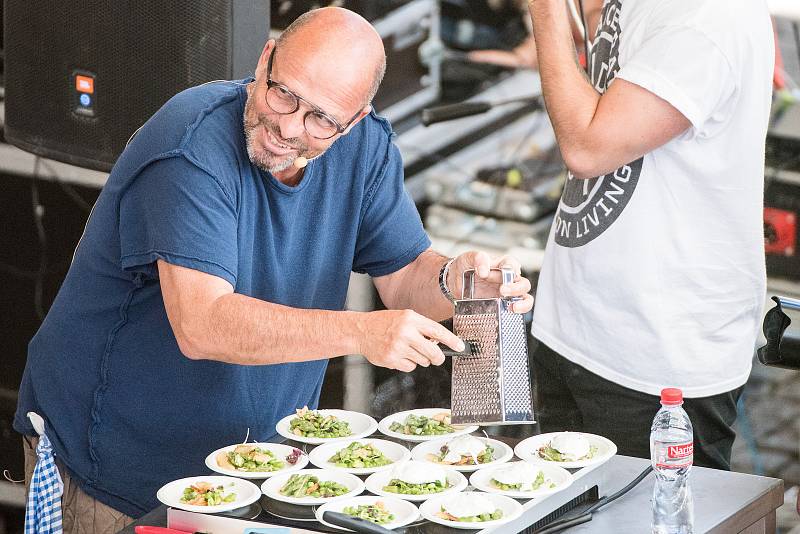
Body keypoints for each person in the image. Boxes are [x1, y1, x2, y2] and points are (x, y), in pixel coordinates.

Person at [14, 7, 534, 530]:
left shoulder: (365, 146)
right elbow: (204, 324)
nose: (287, 126)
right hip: (118, 469)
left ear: (354, 121)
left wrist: (456, 281)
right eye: (283, 92)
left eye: (321, 119)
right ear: (265, 58)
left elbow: (403, 277)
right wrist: (364, 331)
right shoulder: (191, 149)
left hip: (255, 468)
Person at [527, 0, 774, 470]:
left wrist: (545, 11)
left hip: (655, 359)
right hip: (576, 329)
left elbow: (587, 146)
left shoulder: (709, 19)